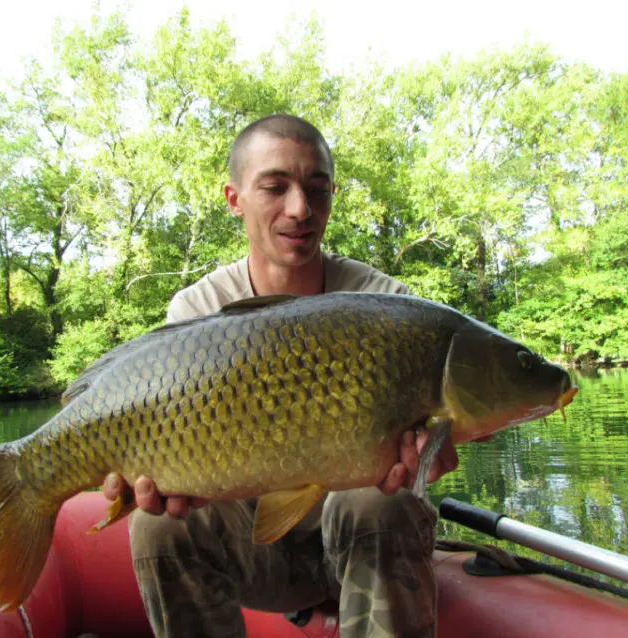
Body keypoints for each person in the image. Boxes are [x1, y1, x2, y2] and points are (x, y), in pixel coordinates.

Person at [102, 113, 461, 638]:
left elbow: (438, 439)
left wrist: (433, 456)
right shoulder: (197, 313)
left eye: (317, 189)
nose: (300, 209)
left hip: (361, 541)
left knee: (378, 501)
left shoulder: (388, 308)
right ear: (234, 199)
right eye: (275, 187)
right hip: (255, 556)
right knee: (156, 525)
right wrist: (149, 481)